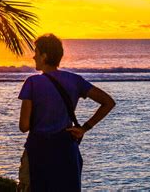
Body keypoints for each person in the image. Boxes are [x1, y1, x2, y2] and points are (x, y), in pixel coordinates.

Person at [18, 34, 116, 191]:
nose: (33, 56)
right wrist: (85, 128)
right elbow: (108, 102)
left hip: (38, 149)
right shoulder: (75, 80)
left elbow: (24, 126)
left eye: (36, 52)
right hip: (66, 149)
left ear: (44, 56)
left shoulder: (32, 83)